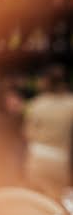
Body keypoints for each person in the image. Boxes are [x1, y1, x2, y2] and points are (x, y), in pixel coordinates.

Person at [23, 65, 73, 198]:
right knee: (57, 201)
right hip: (60, 159)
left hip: (37, 157)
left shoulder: (36, 103)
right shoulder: (70, 103)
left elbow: (27, 133)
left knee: (38, 201)